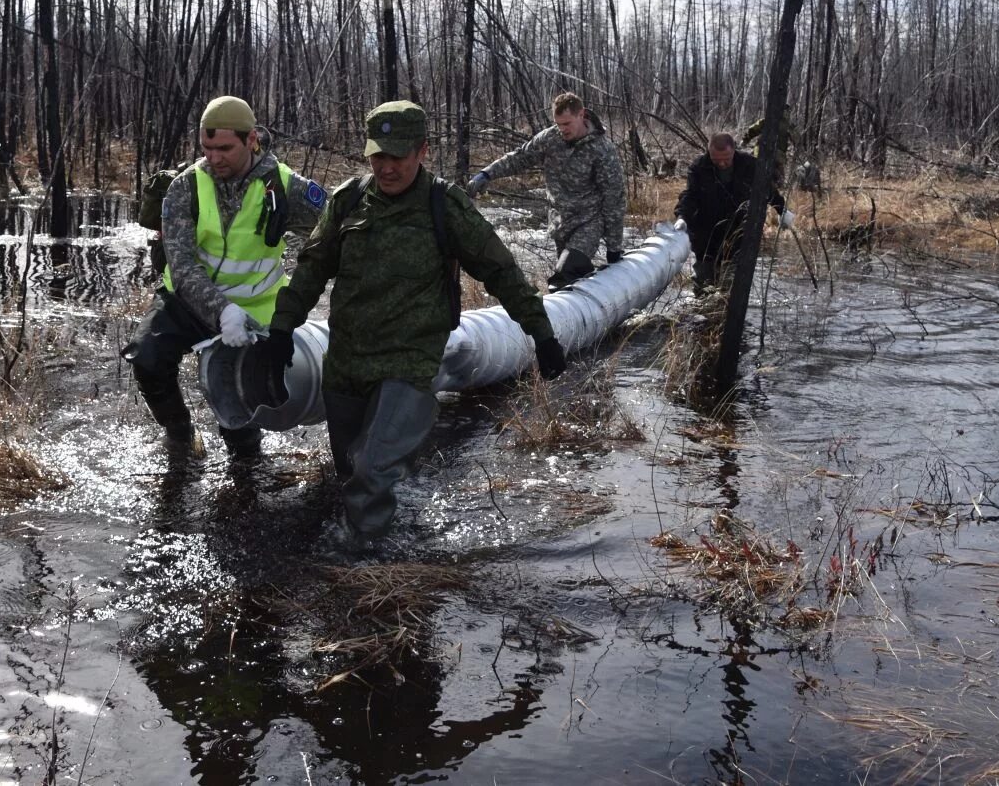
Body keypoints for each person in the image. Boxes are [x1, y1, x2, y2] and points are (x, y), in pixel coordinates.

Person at [258, 101, 566, 542]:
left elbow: (501, 271)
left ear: (422, 151)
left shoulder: (446, 206)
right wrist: (283, 328)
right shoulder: (348, 201)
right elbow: (310, 270)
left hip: (410, 362)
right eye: (377, 156)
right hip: (347, 361)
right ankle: (384, 539)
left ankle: (361, 573)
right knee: (349, 469)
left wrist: (541, 332)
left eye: (397, 156)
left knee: (373, 467)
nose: (386, 167)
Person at [122, 95, 328, 458]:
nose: (214, 158)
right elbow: (182, 267)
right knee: (147, 358)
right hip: (187, 303)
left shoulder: (285, 187)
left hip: (253, 313)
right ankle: (180, 436)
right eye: (206, 147)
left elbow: (335, 227)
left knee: (239, 418)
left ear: (251, 141)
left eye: (224, 149)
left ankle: (246, 460)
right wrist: (221, 311)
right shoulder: (186, 187)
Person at [465, 92, 626, 289]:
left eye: (567, 124)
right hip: (560, 222)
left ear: (581, 115)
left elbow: (614, 198)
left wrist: (614, 247)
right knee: (572, 282)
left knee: (564, 272)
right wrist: (487, 174)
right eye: (559, 124)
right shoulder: (550, 138)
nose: (563, 130)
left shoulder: (602, 150)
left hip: (589, 222)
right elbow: (520, 157)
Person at [674, 132, 796, 290]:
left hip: (737, 235)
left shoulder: (750, 165)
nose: (722, 164)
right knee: (703, 285)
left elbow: (767, 191)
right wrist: (682, 217)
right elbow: (690, 196)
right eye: (716, 160)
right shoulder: (699, 167)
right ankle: (702, 310)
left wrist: (782, 211)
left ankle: (724, 310)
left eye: (726, 159)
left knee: (729, 287)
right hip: (705, 237)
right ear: (709, 152)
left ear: (733, 151)